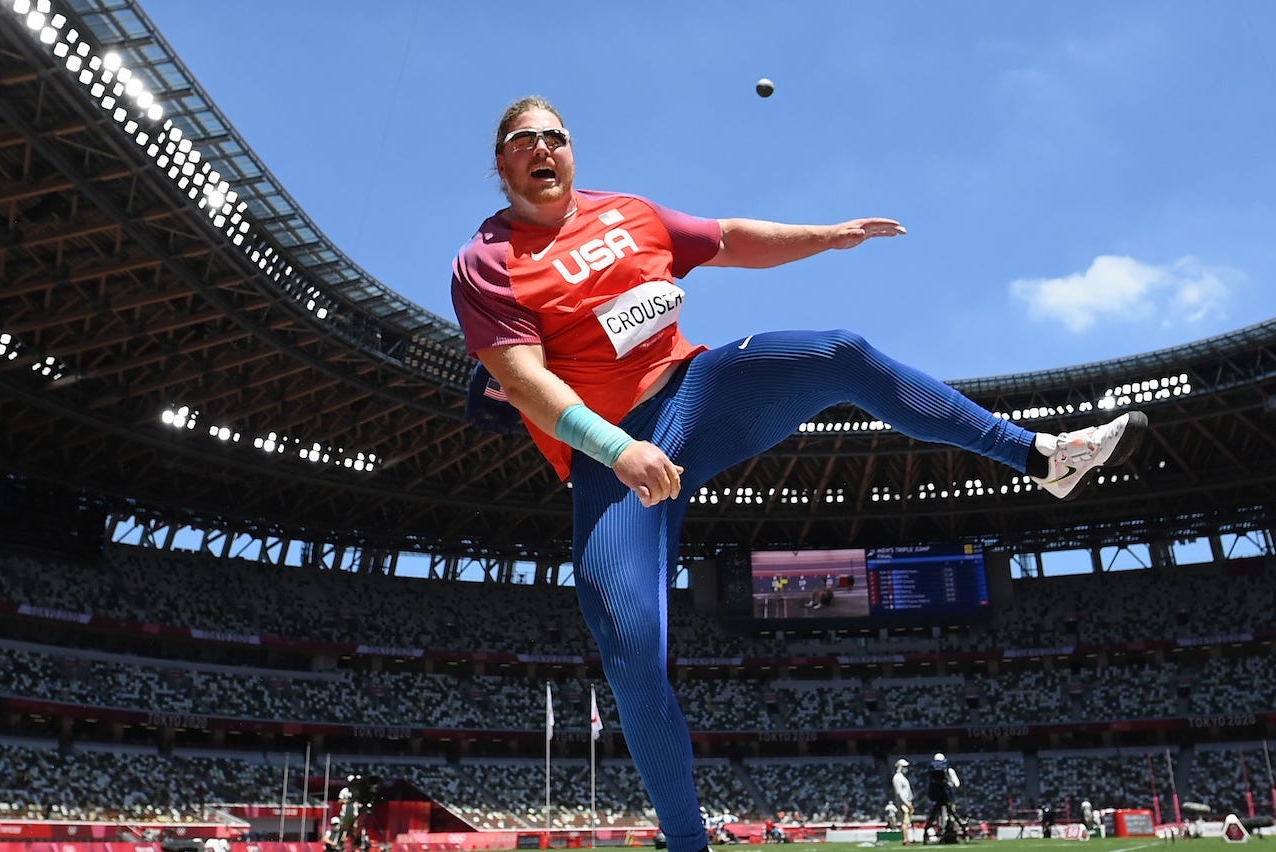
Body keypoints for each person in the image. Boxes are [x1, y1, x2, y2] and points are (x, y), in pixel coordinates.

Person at [452, 96, 1150, 852]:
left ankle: (1041, 457)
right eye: (525, 139)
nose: (544, 146)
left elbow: (728, 238)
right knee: (630, 647)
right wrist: (615, 448)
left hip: (700, 393)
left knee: (839, 352)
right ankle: (688, 844)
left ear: (573, 151)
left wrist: (827, 236)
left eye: (557, 135)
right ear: (502, 163)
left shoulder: (628, 213)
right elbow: (520, 381)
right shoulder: (487, 261)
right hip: (611, 454)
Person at [923, 753, 964, 843]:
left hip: (936, 797)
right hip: (947, 797)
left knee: (937, 817)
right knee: (952, 817)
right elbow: (957, 784)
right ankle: (953, 835)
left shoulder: (931, 770)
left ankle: (938, 834)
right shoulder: (949, 770)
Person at [892, 758, 915, 844]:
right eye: (904, 766)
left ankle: (908, 838)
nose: (906, 768)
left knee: (907, 821)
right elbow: (899, 793)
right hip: (903, 803)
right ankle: (905, 839)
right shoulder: (897, 778)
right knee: (905, 821)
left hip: (906, 802)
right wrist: (907, 803)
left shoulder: (902, 777)